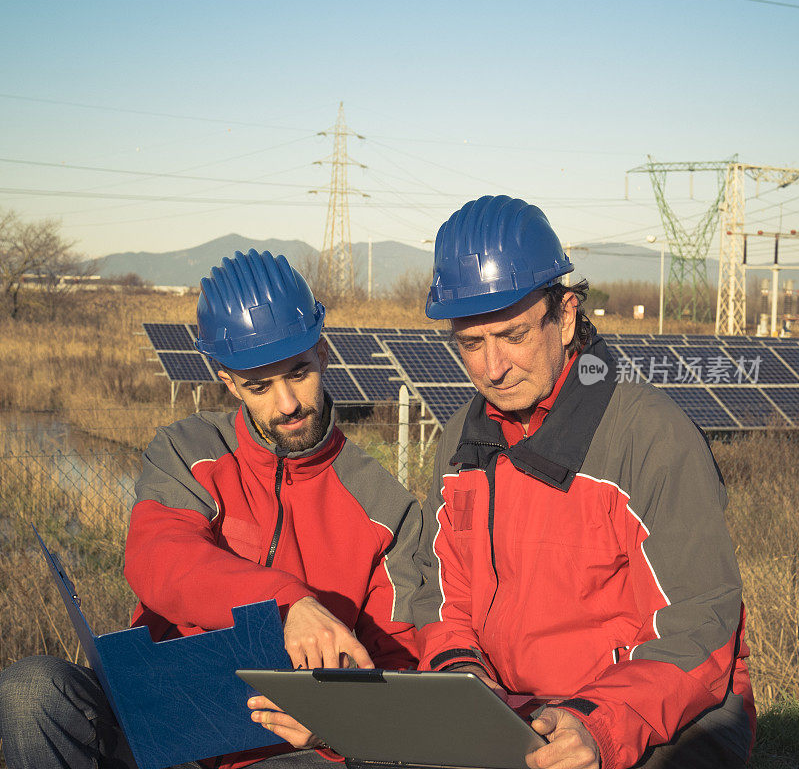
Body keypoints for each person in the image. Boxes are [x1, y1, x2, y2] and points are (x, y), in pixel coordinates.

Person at [0, 250, 421, 769]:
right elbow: (159, 560)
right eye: (259, 386)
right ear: (227, 380)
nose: (286, 403)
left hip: (286, 752)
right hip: (162, 716)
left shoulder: (387, 508)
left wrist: (333, 725)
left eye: (299, 372)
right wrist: (288, 605)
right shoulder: (187, 449)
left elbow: (401, 666)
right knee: (30, 691)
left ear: (324, 352)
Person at [412, 196, 755, 769]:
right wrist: (463, 678)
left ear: (566, 314)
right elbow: (443, 596)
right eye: (472, 343)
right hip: (523, 713)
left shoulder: (652, 439)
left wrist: (598, 725)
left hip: (659, 715)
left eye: (514, 335)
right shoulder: (460, 443)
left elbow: (703, 627)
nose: (493, 368)